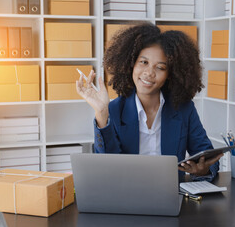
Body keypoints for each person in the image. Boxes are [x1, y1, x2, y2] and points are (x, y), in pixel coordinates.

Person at [76, 23, 222, 181]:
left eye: (160, 67)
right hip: (127, 195)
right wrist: (102, 113)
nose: (149, 73)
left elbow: (207, 156)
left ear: (170, 74)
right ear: (131, 64)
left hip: (171, 195)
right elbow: (106, 166)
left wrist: (203, 169)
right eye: (143, 62)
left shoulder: (183, 109)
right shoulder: (115, 109)